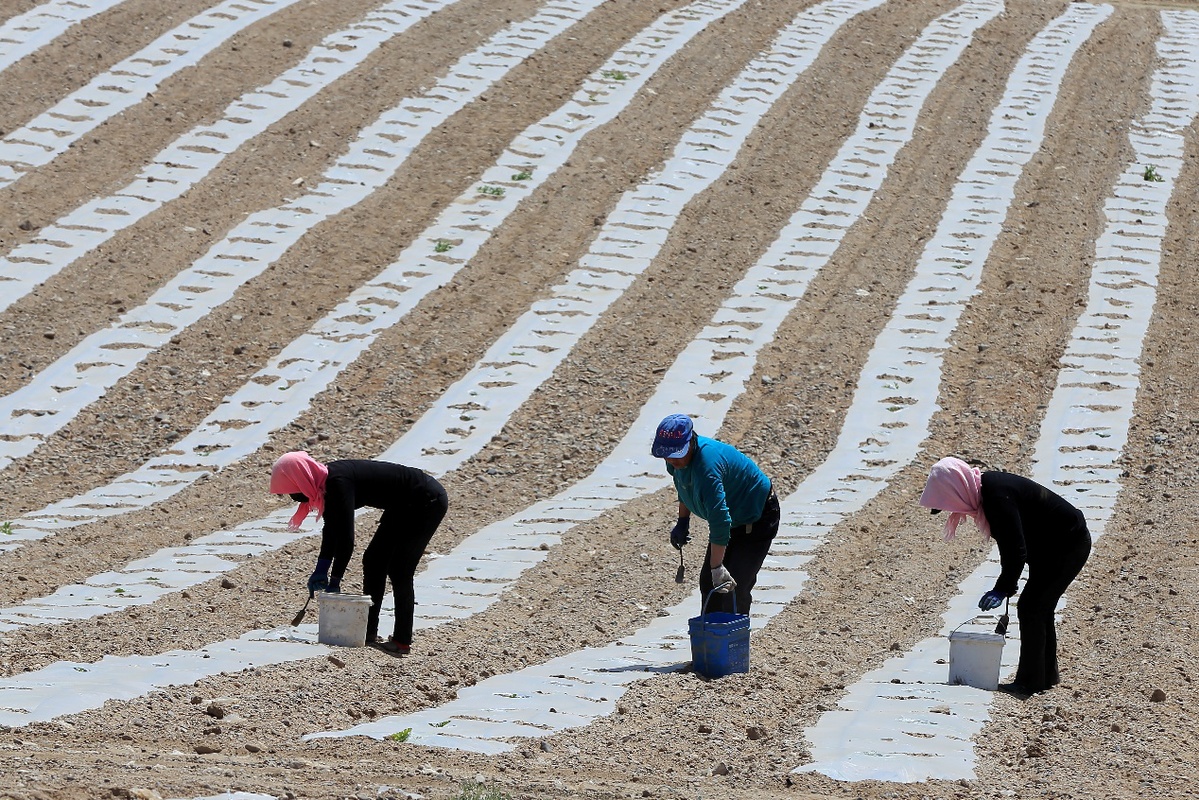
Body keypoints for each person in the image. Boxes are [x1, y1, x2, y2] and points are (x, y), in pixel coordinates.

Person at [919, 456, 1091, 694]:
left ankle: (1029, 683)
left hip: (1067, 544)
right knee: (1039, 607)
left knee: (1033, 607)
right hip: (1053, 546)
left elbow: (1014, 548)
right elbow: (1013, 546)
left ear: (956, 490)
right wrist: (1006, 585)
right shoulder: (988, 490)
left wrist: (1003, 588)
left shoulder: (995, 497)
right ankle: (1043, 677)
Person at [269, 451, 449, 655]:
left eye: (292, 491)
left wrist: (335, 580)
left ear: (301, 480)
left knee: (400, 569)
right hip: (400, 504)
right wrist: (321, 569)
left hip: (425, 501)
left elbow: (346, 539)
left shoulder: (337, 482)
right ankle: (368, 631)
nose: (294, 498)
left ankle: (402, 641)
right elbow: (331, 529)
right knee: (374, 561)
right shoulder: (324, 484)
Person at [651, 414, 779, 617]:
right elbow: (683, 486)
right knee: (709, 584)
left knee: (733, 587)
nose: (671, 459)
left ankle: (733, 646)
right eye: (667, 454)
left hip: (756, 517)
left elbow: (720, 522)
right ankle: (710, 644)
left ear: (691, 442)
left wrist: (717, 567)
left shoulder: (707, 468)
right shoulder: (675, 461)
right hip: (733, 519)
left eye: (676, 453)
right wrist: (683, 521)